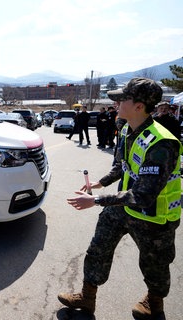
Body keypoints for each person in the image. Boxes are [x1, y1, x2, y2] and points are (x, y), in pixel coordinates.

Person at [57, 77, 182, 319]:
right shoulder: (126, 129)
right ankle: (87, 297)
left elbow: (144, 195)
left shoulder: (162, 143)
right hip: (123, 208)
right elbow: (121, 166)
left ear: (139, 106)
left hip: (155, 216)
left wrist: (96, 200)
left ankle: (154, 305)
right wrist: (100, 183)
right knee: (98, 248)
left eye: (122, 99)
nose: (116, 103)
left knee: (155, 266)